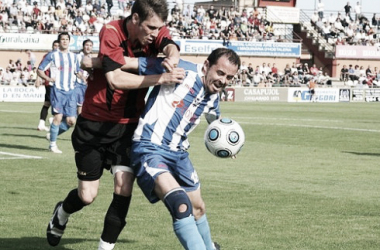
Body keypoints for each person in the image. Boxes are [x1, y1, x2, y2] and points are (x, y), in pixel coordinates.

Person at [45, 0, 181, 249]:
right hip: (94, 125)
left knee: (123, 187)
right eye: (150, 27)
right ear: (136, 19)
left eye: (158, 28)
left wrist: (172, 56)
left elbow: (170, 45)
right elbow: (115, 79)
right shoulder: (111, 31)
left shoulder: (156, 31)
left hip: (129, 126)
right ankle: (62, 214)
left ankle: (105, 247)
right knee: (87, 196)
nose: (154, 33)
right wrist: (161, 76)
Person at [129, 48, 240, 250]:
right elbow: (137, 64)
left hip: (179, 155)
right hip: (149, 147)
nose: (224, 80)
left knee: (198, 208)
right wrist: (99, 63)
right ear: (206, 66)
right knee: (181, 204)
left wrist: (228, 144)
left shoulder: (214, 96)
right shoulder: (182, 69)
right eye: (220, 73)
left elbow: (214, 120)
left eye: (229, 77)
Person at [37, 33, 81, 153]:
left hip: (71, 91)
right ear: (59, 41)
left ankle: (52, 134)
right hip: (57, 91)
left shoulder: (74, 57)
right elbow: (40, 69)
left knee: (71, 121)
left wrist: (87, 77)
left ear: (69, 41)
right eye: (63, 39)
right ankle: (52, 145)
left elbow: (78, 72)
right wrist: (48, 79)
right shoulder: (52, 55)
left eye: (67, 39)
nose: (65, 41)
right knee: (58, 117)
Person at [35, 40, 60, 132]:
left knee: (47, 103)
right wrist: (38, 79)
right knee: (55, 103)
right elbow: (40, 67)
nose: (56, 47)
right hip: (50, 83)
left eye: (58, 45)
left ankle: (41, 124)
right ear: (52, 46)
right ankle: (53, 120)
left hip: (56, 83)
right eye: (55, 45)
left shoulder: (61, 56)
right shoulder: (48, 56)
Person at [75, 39, 93, 115]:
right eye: (87, 45)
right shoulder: (78, 57)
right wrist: (83, 78)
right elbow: (76, 70)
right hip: (78, 84)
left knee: (84, 106)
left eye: (90, 45)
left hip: (86, 85)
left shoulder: (91, 58)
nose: (88, 47)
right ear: (83, 46)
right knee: (80, 106)